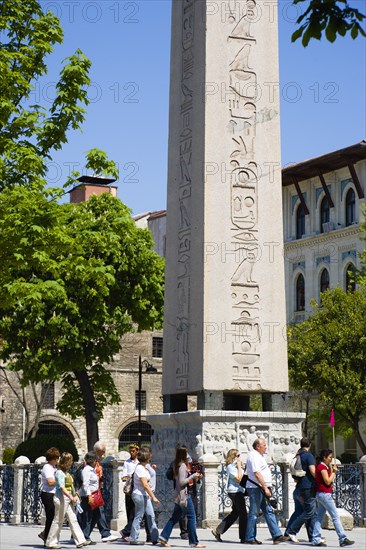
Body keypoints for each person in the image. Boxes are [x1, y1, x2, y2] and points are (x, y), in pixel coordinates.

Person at [158, 446, 205, 548]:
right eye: (187, 452)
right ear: (184, 454)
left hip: (178, 495)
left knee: (175, 517)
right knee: (192, 517)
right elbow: (181, 482)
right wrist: (193, 476)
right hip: (184, 495)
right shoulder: (183, 466)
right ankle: (194, 542)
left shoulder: (176, 464)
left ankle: (163, 537)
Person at [245, 438, 288, 544]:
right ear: (257, 446)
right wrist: (265, 487)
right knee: (254, 513)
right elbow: (256, 473)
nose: (266, 446)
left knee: (268, 510)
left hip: (261, 488)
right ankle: (249, 537)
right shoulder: (253, 455)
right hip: (257, 488)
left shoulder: (259, 456)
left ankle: (277, 535)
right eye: (264, 445)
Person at [311, 449, 354, 548]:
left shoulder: (324, 466)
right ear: (324, 458)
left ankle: (316, 538)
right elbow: (327, 481)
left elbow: (328, 475)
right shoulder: (322, 467)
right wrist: (334, 472)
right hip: (325, 494)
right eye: (329, 457)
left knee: (319, 517)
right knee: (335, 516)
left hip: (321, 494)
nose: (331, 459)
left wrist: (331, 467)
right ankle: (342, 538)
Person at [46, 452, 88, 549]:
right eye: (70, 461)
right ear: (66, 462)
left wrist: (75, 495)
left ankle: (80, 540)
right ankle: (51, 542)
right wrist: (71, 497)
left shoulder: (66, 473)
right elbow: (62, 487)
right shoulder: (60, 473)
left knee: (73, 519)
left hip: (67, 498)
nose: (71, 463)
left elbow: (71, 487)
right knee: (58, 520)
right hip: (61, 498)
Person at [78, 451, 116, 544]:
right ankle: (84, 536)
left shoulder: (91, 469)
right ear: (94, 460)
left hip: (95, 495)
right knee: (88, 516)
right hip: (90, 496)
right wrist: (89, 496)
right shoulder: (86, 470)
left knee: (96, 515)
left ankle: (85, 535)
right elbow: (86, 484)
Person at [285, 438, 318, 544]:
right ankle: (292, 531)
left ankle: (312, 536)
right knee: (310, 511)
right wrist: (321, 479)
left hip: (299, 487)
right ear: (310, 445)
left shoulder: (298, 455)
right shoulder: (309, 456)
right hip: (308, 487)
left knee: (301, 511)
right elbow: (313, 471)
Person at [211, 448, 247, 543]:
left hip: (239, 491)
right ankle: (243, 537)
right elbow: (239, 479)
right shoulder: (230, 467)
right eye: (238, 456)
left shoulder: (236, 467)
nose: (240, 458)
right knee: (243, 513)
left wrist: (243, 468)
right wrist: (239, 467)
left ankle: (218, 530)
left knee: (235, 513)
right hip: (235, 492)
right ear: (233, 456)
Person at [129, 446, 160, 545]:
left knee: (151, 516)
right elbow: (145, 485)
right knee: (139, 516)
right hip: (139, 495)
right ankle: (133, 538)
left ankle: (155, 538)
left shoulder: (144, 467)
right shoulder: (139, 468)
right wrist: (153, 497)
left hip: (145, 495)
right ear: (146, 458)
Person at [92, 441, 118, 543]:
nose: (104, 453)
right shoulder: (91, 460)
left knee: (94, 514)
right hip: (92, 491)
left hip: (96, 490)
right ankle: (105, 533)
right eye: (103, 451)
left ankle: (81, 534)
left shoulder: (97, 460)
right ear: (98, 451)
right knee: (98, 511)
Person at [39, 447, 60, 544]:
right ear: (53, 458)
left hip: (54, 493)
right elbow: (50, 482)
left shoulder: (54, 468)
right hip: (48, 494)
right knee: (50, 516)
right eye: (57, 458)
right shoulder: (47, 467)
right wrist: (61, 481)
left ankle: (45, 534)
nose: (58, 460)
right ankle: (46, 537)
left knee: (54, 516)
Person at [120, 443, 139, 542]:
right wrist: (130, 476)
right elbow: (123, 476)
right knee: (130, 511)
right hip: (130, 490)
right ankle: (127, 532)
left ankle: (128, 532)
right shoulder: (127, 463)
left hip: (138, 489)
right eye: (130, 451)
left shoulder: (139, 462)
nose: (131, 452)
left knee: (136, 513)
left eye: (133, 451)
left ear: (137, 451)